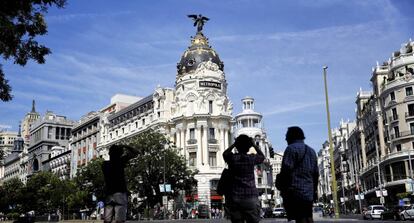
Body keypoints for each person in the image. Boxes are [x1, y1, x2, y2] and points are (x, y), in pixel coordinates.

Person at [279, 126, 319, 223]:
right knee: (308, 217)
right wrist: (314, 191)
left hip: (295, 192)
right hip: (308, 192)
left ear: (291, 136)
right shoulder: (311, 151)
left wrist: (283, 188)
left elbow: (286, 171)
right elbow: (316, 174)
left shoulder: (290, 149)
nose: (285, 139)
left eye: (286, 136)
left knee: (300, 218)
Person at [223, 134, 265, 223]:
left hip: (235, 197)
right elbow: (262, 156)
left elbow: (225, 153)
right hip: (250, 196)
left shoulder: (233, 158)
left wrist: (235, 144)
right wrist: (253, 144)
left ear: (237, 146)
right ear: (249, 147)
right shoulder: (251, 158)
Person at [102, 144, 135, 223]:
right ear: (120, 154)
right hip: (120, 192)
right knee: (120, 220)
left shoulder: (105, 164)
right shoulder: (120, 162)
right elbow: (135, 153)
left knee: (107, 220)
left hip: (109, 193)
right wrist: (126, 146)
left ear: (109, 154)